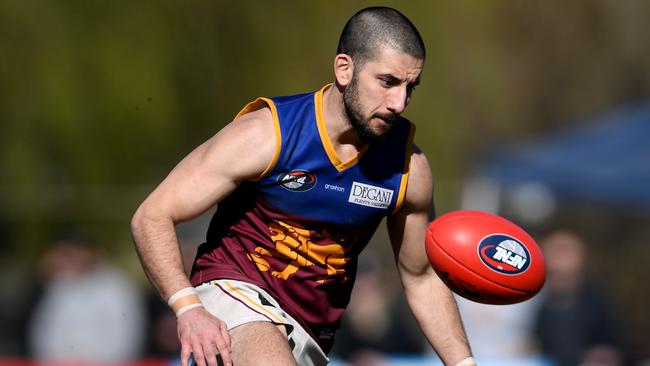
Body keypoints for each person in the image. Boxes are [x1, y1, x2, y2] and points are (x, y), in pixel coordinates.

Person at [131, 7, 474, 366]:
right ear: (345, 69)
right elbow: (152, 216)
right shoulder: (268, 135)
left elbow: (421, 278)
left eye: (410, 87)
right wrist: (188, 309)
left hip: (311, 334)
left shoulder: (408, 169)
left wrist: (465, 363)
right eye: (388, 82)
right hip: (233, 300)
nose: (399, 103)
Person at [534, 230, 624, 366]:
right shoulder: (528, 298)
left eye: (565, 251)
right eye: (556, 250)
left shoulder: (597, 303)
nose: (560, 258)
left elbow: (609, 347)